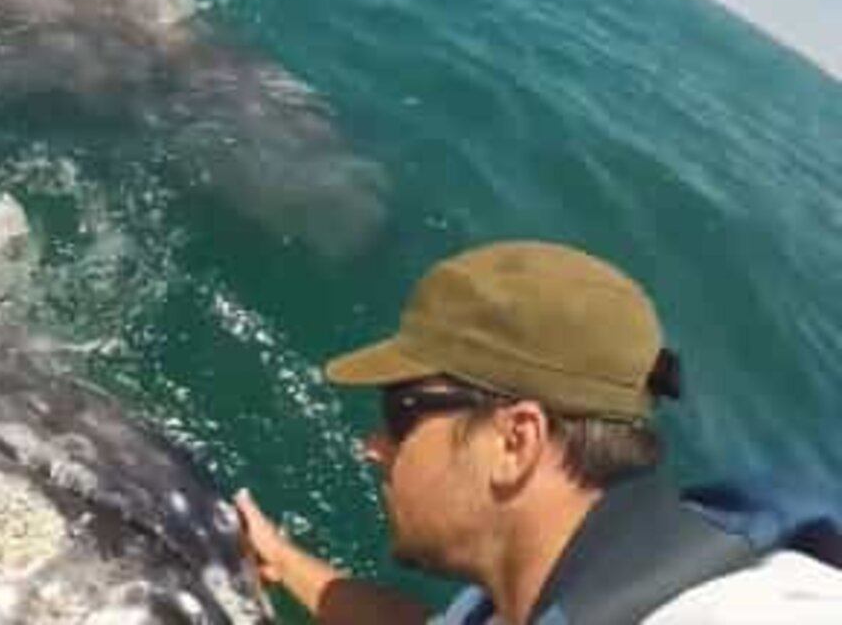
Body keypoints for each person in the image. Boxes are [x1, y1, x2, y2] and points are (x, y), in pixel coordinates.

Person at [235, 241, 842, 624]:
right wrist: (286, 563)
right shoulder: (547, 580)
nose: (373, 445)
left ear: (515, 440)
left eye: (401, 414)